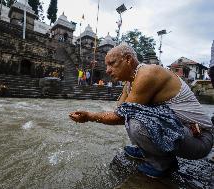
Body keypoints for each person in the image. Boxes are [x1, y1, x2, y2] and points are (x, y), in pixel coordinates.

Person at [69, 43, 213, 178]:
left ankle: (162, 163)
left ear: (128, 59)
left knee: (135, 121)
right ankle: (147, 150)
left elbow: (120, 117)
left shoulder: (147, 73)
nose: (107, 70)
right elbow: (119, 110)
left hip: (199, 139)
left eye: (112, 63)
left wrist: (89, 116)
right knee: (131, 113)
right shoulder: (131, 81)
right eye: (106, 65)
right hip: (181, 132)